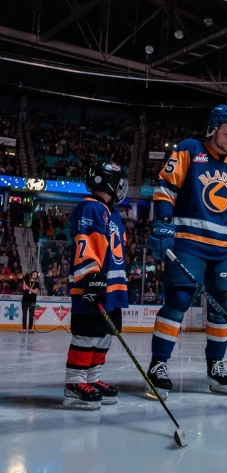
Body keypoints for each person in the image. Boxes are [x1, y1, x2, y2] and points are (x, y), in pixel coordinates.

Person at [145, 105, 227, 398]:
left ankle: (216, 366)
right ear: (213, 128)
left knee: (224, 306)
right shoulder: (189, 149)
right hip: (188, 243)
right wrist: (163, 222)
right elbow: (166, 189)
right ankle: (158, 365)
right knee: (179, 299)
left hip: (223, 250)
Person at [63, 161, 128, 410]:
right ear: (107, 182)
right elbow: (86, 243)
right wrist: (92, 278)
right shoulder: (90, 208)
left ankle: (92, 378)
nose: (122, 188)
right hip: (93, 286)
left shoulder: (112, 213)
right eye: (119, 182)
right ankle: (74, 384)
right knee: (87, 335)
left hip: (112, 288)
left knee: (103, 336)